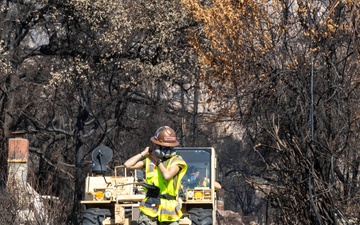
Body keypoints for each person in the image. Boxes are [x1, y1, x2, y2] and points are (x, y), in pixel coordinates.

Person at [124, 126, 187, 225]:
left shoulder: (177, 161)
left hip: (168, 208)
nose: (159, 148)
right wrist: (143, 154)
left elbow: (167, 175)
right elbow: (127, 165)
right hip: (150, 207)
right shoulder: (149, 161)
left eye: (167, 147)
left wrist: (158, 162)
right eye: (158, 145)